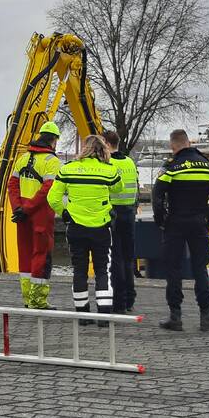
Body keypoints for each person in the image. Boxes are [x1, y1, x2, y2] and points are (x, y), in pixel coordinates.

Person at [47, 134, 123, 325]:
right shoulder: (108, 170)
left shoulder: (68, 169)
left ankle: (82, 314)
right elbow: (118, 188)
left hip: (76, 228)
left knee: (79, 270)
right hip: (101, 228)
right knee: (102, 271)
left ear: (84, 148)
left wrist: (64, 213)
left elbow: (52, 198)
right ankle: (103, 316)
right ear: (102, 149)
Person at [153, 129, 209, 332]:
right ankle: (205, 318)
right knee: (200, 268)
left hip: (175, 222)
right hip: (199, 222)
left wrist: (161, 221)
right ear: (188, 143)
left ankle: (175, 317)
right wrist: (208, 219)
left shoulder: (171, 167)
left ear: (173, 145)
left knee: (173, 269)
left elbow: (157, 197)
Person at [7, 122, 62, 309]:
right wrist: (28, 209)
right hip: (41, 216)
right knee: (41, 255)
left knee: (25, 255)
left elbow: (12, 185)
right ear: (54, 140)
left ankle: (27, 298)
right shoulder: (52, 161)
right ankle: (38, 300)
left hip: (22, 216)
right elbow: (48, 190)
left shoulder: (22, 158)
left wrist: (18, 208)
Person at [101, 130, 139, 314]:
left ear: (108, 144)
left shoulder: (108, 163)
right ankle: (130, 299)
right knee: (128, 258)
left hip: (113, 214)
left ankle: (119, 302)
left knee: (115, 260)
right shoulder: (130, 162)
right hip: (129, 214)